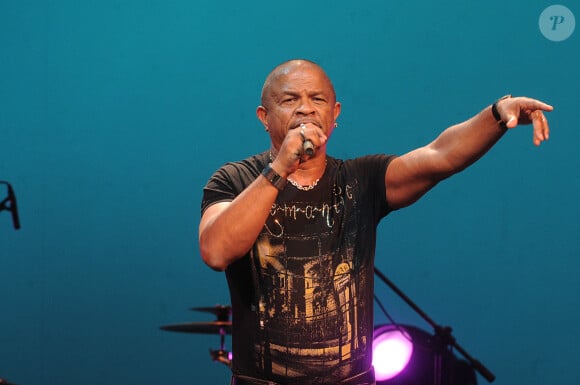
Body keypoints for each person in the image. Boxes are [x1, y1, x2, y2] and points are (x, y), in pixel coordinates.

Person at [198, 59, 553, 385]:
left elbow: (439, 156)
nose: (306, 107)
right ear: (264, 116)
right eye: (290, 100)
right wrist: (279, 168)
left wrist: (495, 115)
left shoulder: (360, 179)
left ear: (334, 114)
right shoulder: (235, 180)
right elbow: (216, 251)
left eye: (317, 99)